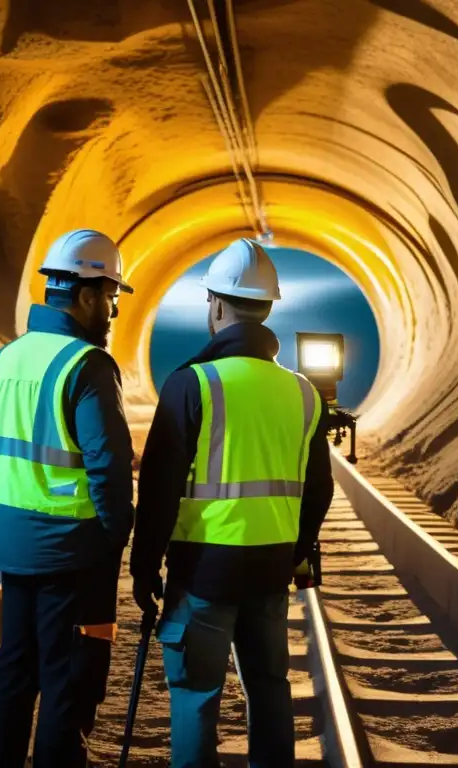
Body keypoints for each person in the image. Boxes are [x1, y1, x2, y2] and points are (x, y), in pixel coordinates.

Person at [130, 237, 335, 767]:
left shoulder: (191, 384)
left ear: (217, 305)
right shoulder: (304, 393)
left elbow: (158, 491)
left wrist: (144, 565)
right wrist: (294, 549)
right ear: (267, 309)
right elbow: (319, 491)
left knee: (198, 692)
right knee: (269, 686)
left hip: (202, 572)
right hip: (269, 569)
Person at [0, 229, 136, 768]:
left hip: (12, 543)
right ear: (88, 294)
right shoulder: (87, 366)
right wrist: (119, 530)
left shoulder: (2, 361)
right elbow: (108, 466)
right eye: (111, 297)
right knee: (66, 681)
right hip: (71, 550)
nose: (113, 312)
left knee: (14, 669)